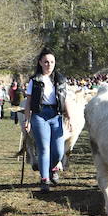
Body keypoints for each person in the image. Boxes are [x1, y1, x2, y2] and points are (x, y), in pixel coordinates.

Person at [22, 49, 74, 192]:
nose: (49, 65)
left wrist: (69, 116)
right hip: (39, 115)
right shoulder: (35, 80)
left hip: (56, 115)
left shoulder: (61, 80)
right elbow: (28, 102)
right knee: (44, 148)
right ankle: (44, 179)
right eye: (46, 62)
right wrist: (27, 119)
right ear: (40, 63)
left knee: (58, 150)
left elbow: (66, 99)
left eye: (51, 62)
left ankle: (52, 168)